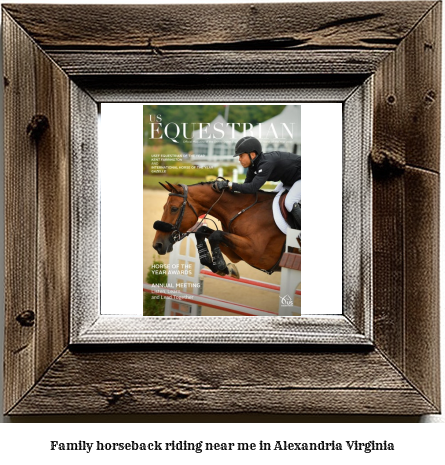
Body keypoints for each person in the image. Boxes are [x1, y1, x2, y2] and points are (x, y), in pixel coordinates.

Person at [215, 136, 301, 229]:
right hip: (290, 181)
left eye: (241, 156)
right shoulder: (253, 167)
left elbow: (252, 188)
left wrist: (229, 184)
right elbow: (245, 188)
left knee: (289, 202)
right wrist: (228, 190)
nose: (239, 159)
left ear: (252, 155)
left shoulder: (266, 163)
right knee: (272, 199)